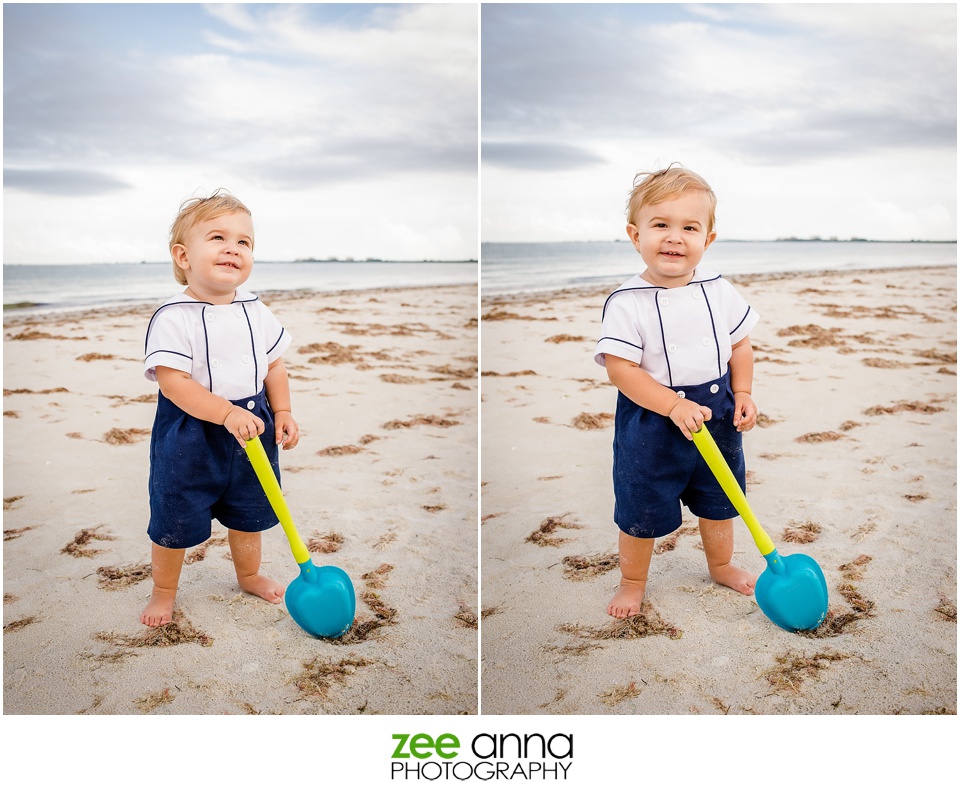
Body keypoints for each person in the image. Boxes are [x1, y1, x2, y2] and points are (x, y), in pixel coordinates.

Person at [594, 165, 759, 619]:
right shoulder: (626, 301)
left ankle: (721, 564)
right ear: (635, 234)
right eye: (660, 224)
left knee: (721, 497)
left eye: (689, 227)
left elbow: (739, 344)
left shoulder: (718, 289)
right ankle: (632, 581)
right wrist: (671, 403)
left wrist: (742, 392)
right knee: (640, 504)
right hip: (653, 421)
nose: (674, 237)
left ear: (707, 239)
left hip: (717, 410)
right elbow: (621, 369)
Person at [140, 191, 300, 627]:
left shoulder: (256, 309)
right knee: (175, 513)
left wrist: (282, 411)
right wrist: (224, 413)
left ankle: (248, 574)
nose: (233, 248)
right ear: (183, 255)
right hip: (192, 432)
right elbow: (174, 383)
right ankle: (164, 591)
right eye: (217, 237)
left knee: (250, 510)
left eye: (244, 242)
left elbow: (274, 364)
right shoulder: (174, 315)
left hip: (252, 423)